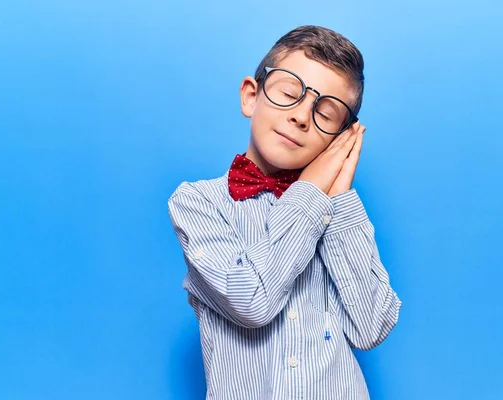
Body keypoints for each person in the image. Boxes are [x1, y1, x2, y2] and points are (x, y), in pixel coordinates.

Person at [167, 25, 402, 400]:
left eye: (325, 113)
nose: (301, 117)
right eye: (290, 93)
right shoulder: (198, 202)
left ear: (341, 137)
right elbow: (252, 301)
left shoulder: (335, 215)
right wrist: (309, 192)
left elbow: (371, 327)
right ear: (250, 96)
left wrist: (337, 198)